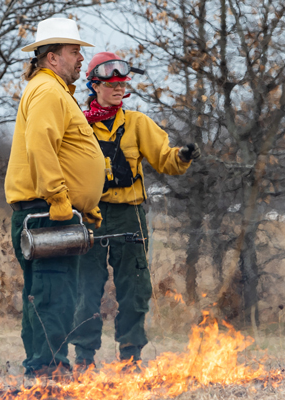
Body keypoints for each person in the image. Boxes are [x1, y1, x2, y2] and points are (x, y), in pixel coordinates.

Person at [70, 52, 201, 371]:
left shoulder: (138, 124)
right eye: (112, 84)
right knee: (85, 289)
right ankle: (84, 359)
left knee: (134, 288)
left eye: (122, 84)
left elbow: (165, 159)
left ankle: (130, 357)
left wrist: (182, 156)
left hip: (129, 216)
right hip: (89, 216)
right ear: (94, 86)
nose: (119, 89)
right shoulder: (78, 125)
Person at [5, 17, 105, 379]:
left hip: (50, 213)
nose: (81, 58)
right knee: (54, 296)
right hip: (49, 214)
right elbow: (40, 147)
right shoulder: (47, 91)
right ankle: (49, 373)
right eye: (74, 51)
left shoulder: (51, 90)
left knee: (43, 295)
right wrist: (61, 201)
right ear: (51, 58)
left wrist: (85, 207)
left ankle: (42, 368)